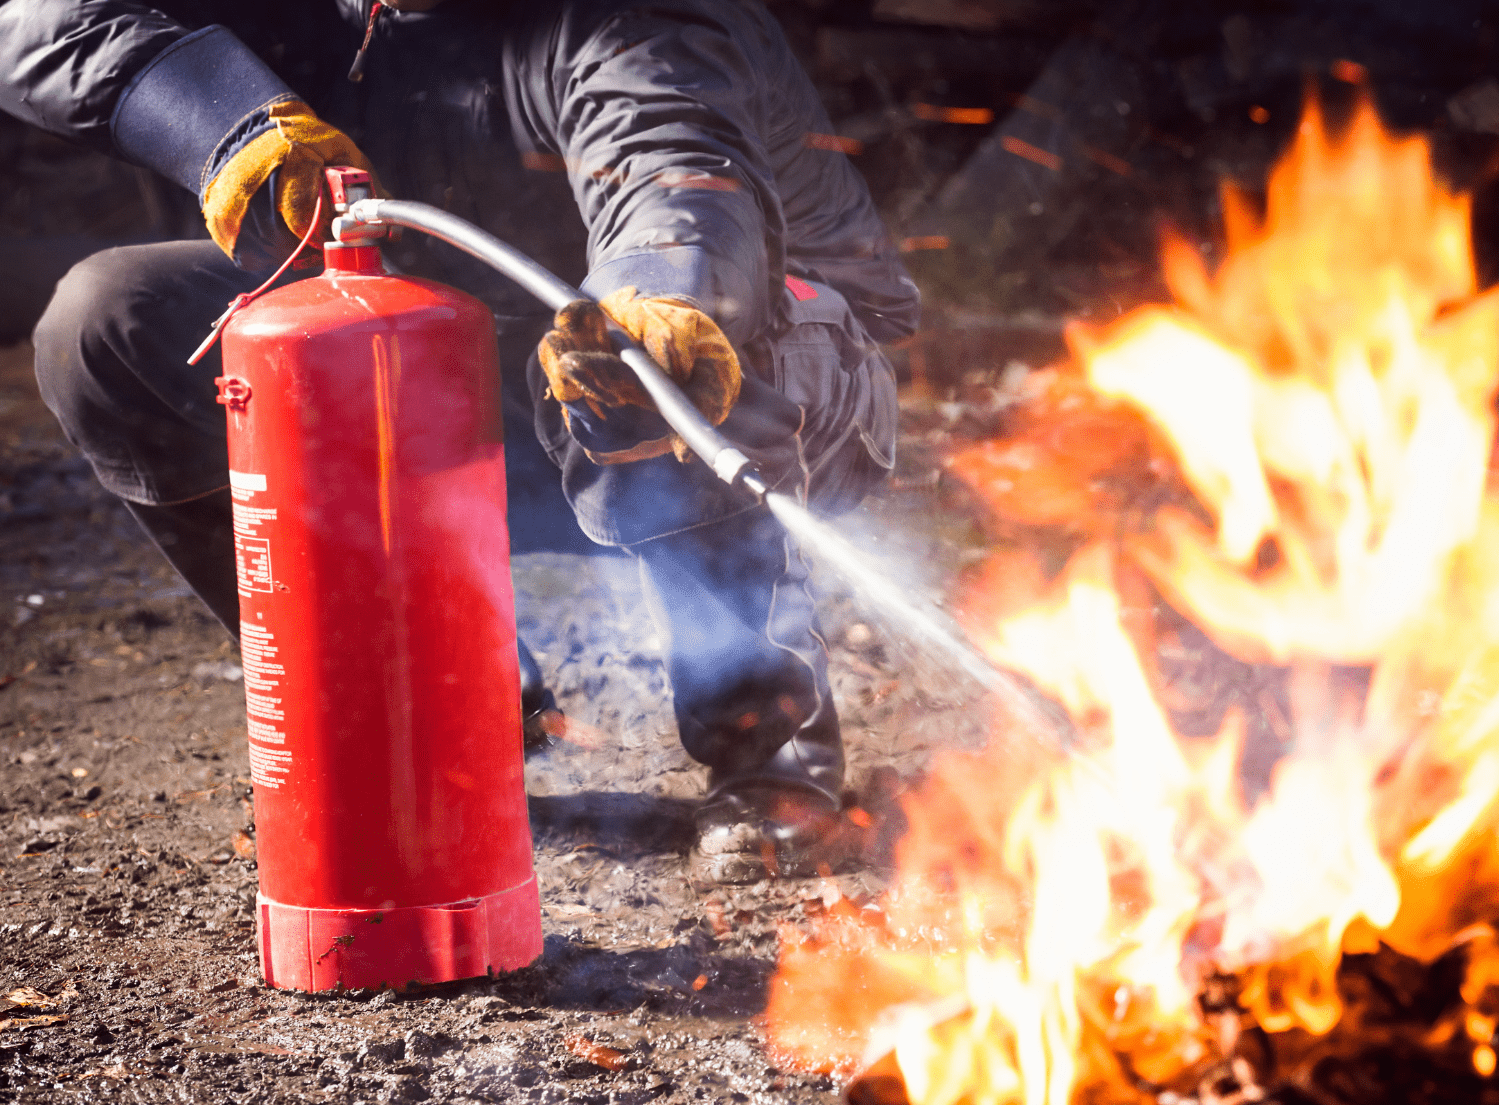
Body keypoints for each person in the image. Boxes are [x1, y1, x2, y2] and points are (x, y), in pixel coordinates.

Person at [0, 0, 920, 882]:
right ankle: (443, 717)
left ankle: (767, 755)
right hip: (456, 353)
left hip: (775, 379)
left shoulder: (635, 17)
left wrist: (658, 282)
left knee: (645, 341)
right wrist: (210, 113)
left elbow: (672, 161)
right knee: (108, 321)